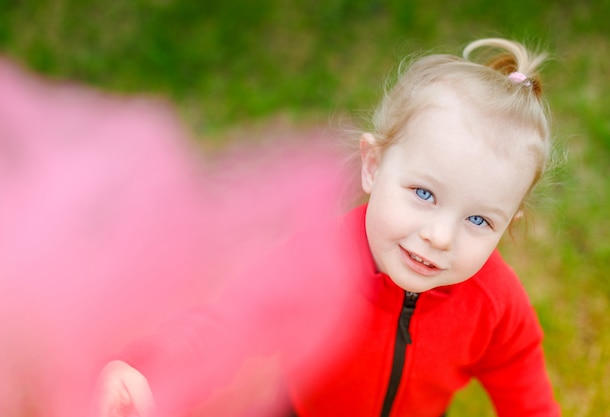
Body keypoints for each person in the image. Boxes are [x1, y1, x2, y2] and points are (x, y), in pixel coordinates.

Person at [96, 38, 560, 417]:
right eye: (424, 194)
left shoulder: (495, 303)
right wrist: (147, 370)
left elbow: (523, 381)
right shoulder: (317, 260)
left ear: (508, 225)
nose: (440, 236)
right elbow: (228, 319)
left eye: (478, 219)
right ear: (373, 166)